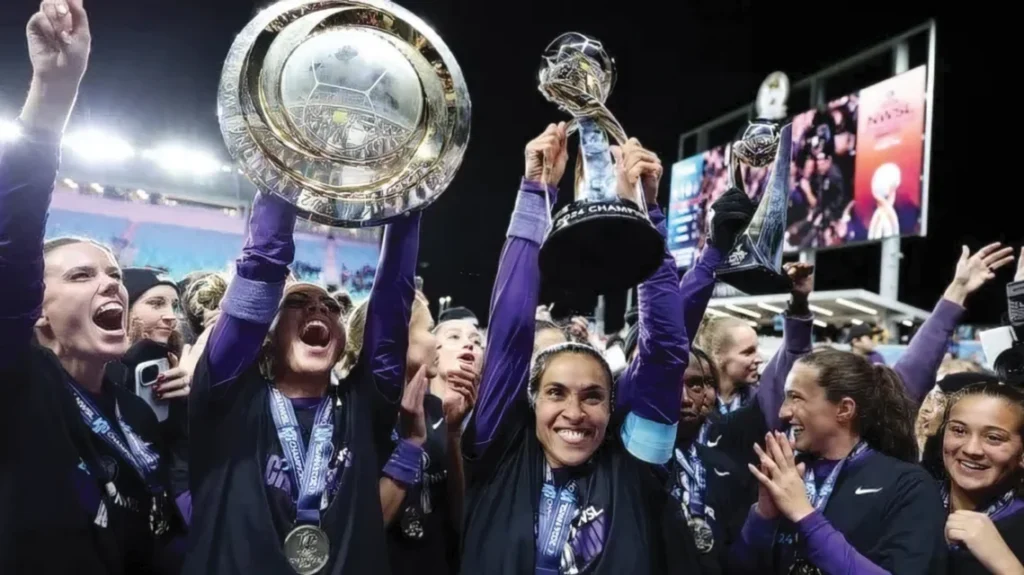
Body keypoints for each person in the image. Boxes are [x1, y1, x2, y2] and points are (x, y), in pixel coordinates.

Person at [460, 126, 699, 573]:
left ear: (613, 409)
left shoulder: (634, 466)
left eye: (592, 396)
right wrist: (535, 192)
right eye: (555, 393)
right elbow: (511, 336)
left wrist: (647, 215)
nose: (574, 412)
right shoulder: (501, 452)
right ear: (531, 400)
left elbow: (665, 350)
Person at [1, 2, 185, 572]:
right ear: (38, 312)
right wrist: (52, 99)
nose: (111, 284)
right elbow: (10, 249)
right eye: (81, 275)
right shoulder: (19, 385)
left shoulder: (136, 410)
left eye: (112, 274)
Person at [183, 176, 424, 573]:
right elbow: (260, 273)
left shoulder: (362, 408)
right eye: (298, 302)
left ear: (344, 339)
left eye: (331, 307)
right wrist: (285, 170)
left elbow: (392, 302)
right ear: (268, 335)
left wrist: (410, 196)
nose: (319, 309)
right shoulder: (227, 399)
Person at [730, 349, 947, 574]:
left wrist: (805, 516)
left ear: (844, 409)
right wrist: (763, 516)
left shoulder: (908, 485)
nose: (784, 412)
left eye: (796, 397)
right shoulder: (784, 475)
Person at [341, 292, 476, 575]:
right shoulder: (354, 412)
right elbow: (357, 533)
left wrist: (453, 434)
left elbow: (459, 518)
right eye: (428, 330)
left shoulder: (435, 408)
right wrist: (410, 447)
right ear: (395, 339)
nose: (436, 341)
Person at [666, 347, 748, 575]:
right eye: (670, 383)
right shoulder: (629, 464)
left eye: (696, 385)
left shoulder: (728, 468)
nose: (684, 399)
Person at [939, 382, 1024, 575]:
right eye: (959, 430)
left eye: (993, 437)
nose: (972, 449)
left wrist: (1005, 563)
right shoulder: (909, 497)